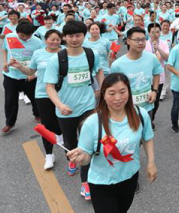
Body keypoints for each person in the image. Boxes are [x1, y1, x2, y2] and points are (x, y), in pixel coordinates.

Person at [67, 73, 157, 213]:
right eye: (112, 93)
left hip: (130, 178)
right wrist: (81, 158)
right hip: (101, 184)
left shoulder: (140, 114)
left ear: (129, 91)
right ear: (103, 94)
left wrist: (151, 163)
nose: (118, 98)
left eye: (122, 92)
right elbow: (86, 156)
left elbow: (147, 137)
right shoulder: (92, 123)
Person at [44, 20, 104, 200]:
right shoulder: (57, 59)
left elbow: (99, 71)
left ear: (84, 36)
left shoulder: (91, 54)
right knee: (71, 143)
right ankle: (72, 159)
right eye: (70, 36)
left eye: (78, 35)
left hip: (88, 107)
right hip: (66, 110)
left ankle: (85, 183)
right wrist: (60, 105)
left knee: (86, 145)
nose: (75, 39)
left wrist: (101, 88)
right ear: (64, 37)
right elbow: (49, 87)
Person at [9, 29, 63, 169]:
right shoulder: (38, 53)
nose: (55, 42)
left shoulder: (65, 53)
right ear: (45, 40)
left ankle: (61, 135)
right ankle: (49, 155)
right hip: (42, 93)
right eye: (52, 39)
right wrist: (20, 66)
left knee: (62, 122)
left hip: (63, 94)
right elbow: (31, 71)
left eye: (57, 39)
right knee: (46, 124)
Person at [110, 27, 162, 125]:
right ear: (128, 41)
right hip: (126, 109)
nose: (141, 43)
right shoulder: (117, 64)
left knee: (146, 135)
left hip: (147, 106)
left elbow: (156, 73)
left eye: (143, 39)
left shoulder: (152, 58)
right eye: (137, 40)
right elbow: (112, 88)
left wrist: (154, 91)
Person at [0, 20, 44, 134]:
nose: (25, 38)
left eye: (28, 36)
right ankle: (9, 123)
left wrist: (34, 74)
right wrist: (5, 62)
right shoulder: (9, 37)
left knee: (35, 98)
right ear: (17, 32)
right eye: (22, 35)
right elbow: (4, 49)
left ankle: (37, 114)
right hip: (11, 75)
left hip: (29, 75)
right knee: (10, 100)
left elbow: (41, 59)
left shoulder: (37, 42)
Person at [145, 23, 170, 118]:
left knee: (155, 101)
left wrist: (158, 48)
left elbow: (167, 58)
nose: (155, 34)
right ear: (148, 33)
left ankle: (152, 117)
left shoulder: (164, 44)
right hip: (146, 77)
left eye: (157, 32)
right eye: (152, 32)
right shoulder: (144, 44)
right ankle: (147, 119)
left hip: (159, 77)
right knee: (146, 100)